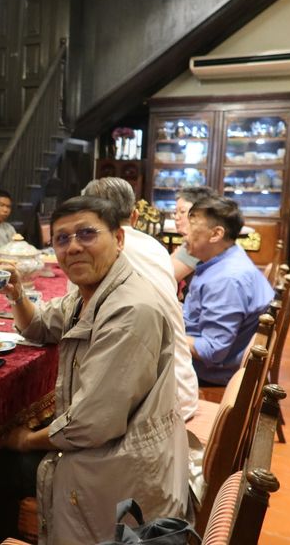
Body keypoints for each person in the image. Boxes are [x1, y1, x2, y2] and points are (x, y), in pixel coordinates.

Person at [0, 196, 188, 545]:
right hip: (112, 442)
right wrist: (17, 295)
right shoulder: (93, 292)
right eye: (62, 239)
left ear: (119, 238)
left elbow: (89, 425)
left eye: (87, 234)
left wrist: (24, 440)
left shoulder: (129, 310)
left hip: (119, 468)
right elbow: (41, 325)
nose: (74, 247)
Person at [82, 177, 198, 420]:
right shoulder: (154, 247)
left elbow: (77, 323)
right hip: (184, 388)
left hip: (158, 411)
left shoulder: (99, 252)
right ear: (134, 216)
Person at [183, 196, 274, 385]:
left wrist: (167, 336)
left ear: (216, 234)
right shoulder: (229, 256)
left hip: (208, 374)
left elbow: (211, 350)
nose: (184, 232)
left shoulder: (226, 280)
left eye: (191, 225)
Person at [171, 185, 216, 282]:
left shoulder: (201, 240)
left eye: (182, 212)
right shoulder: (193, 238)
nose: (176, 217)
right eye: (175, 212)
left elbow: (167, 275)